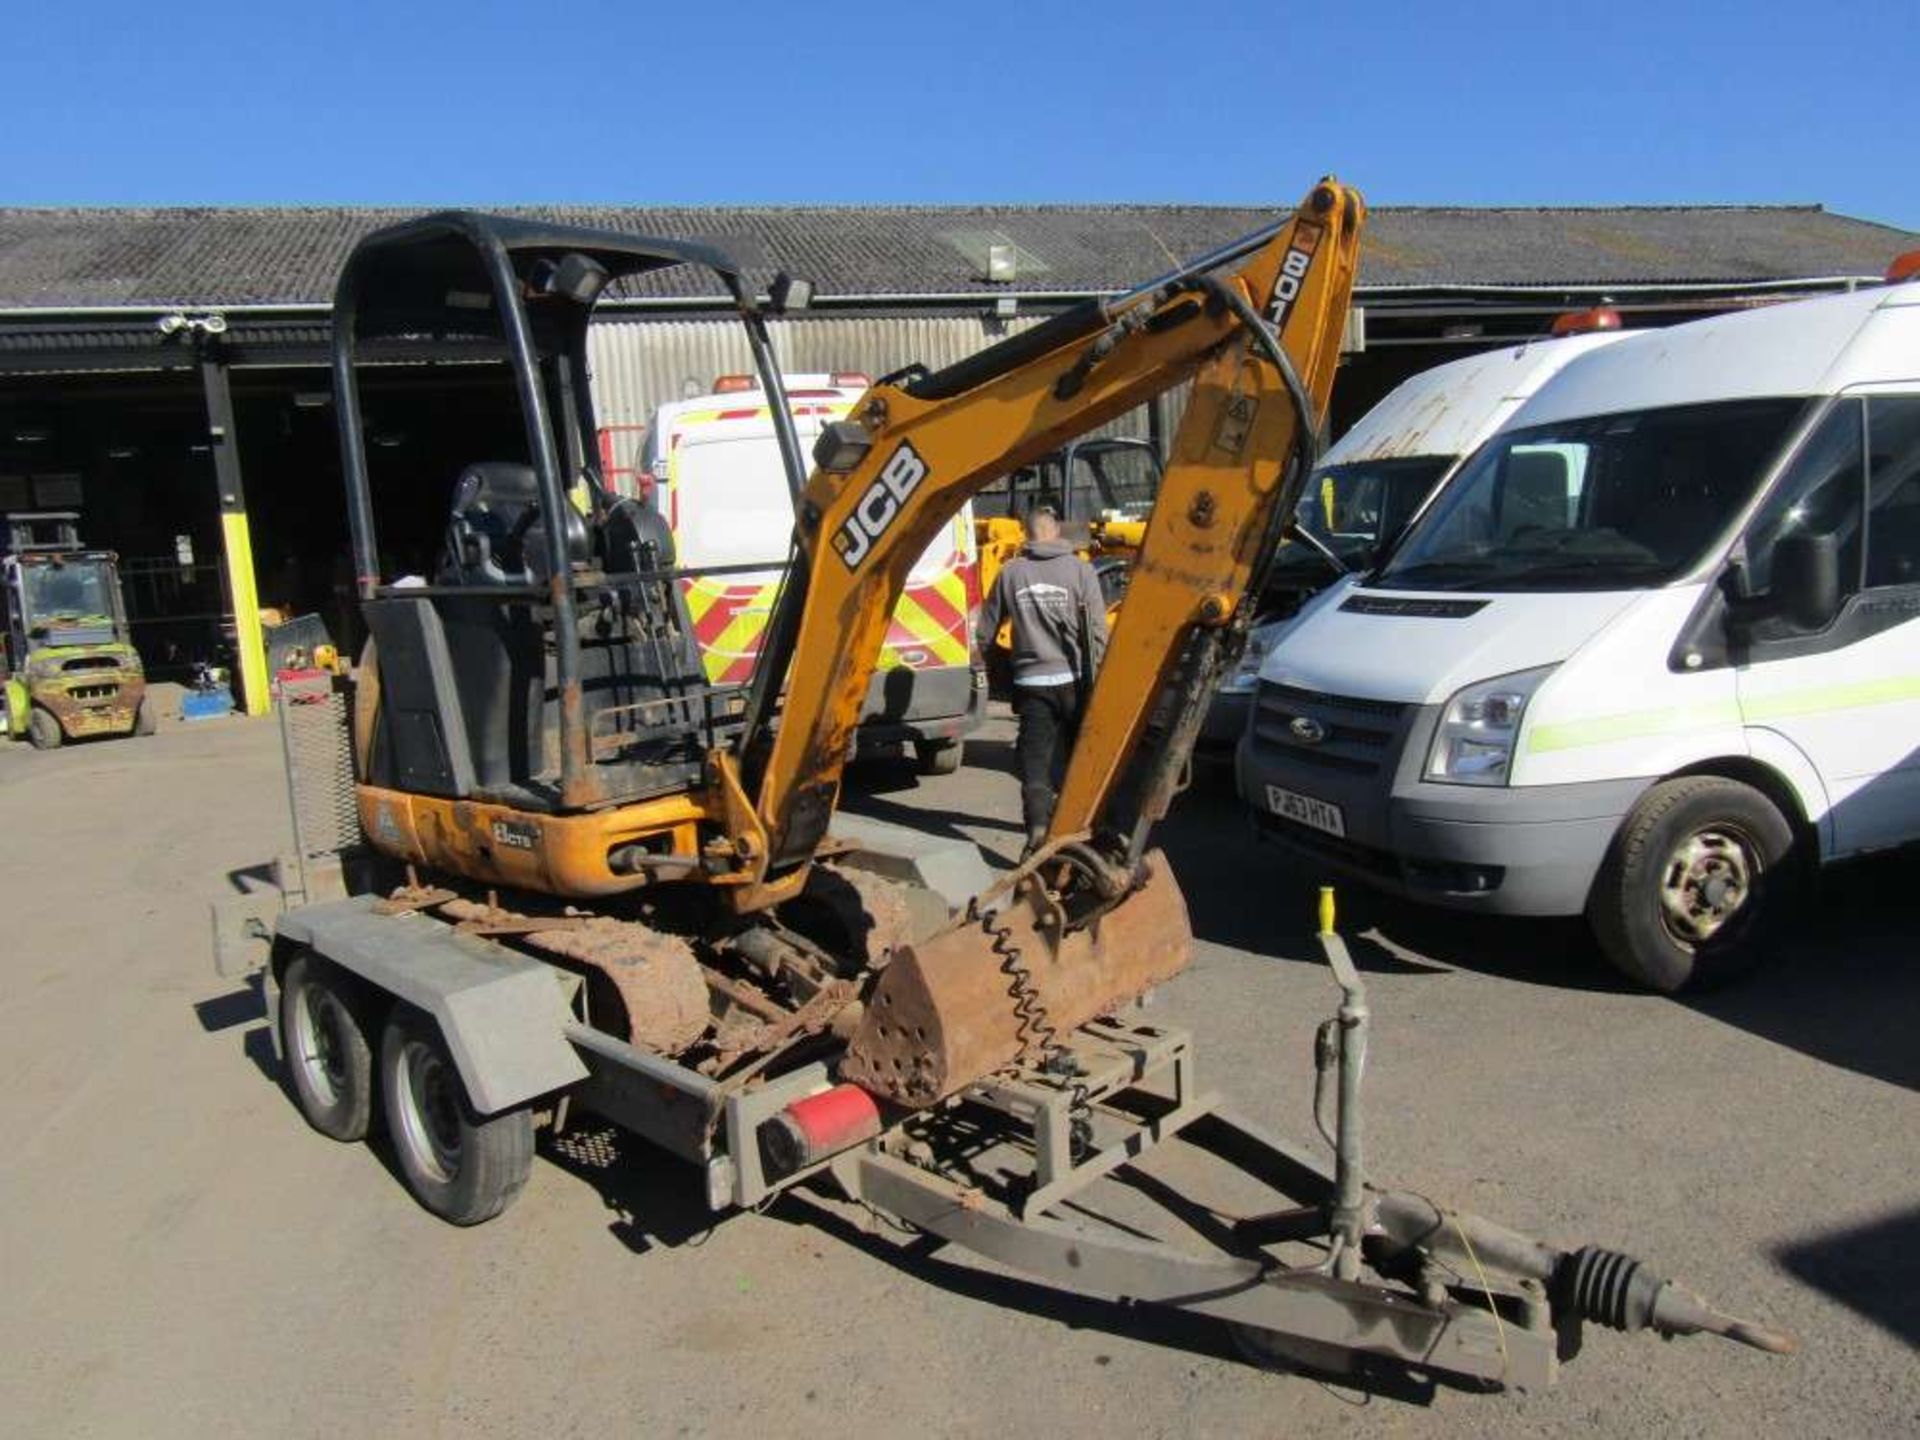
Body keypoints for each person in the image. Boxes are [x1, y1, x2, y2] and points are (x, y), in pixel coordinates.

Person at [978, 504, 1109, 855]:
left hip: (1032, 686)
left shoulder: (1010, 573)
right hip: (1075, 681)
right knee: (1078, 759)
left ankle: (1037, 828)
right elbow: (1098, 632)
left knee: (1034, 762)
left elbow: (985, 632)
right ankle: (1081, 829)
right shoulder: (1081, 572)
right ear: (1055, 532)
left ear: (1027, 535)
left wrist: (991, 670)